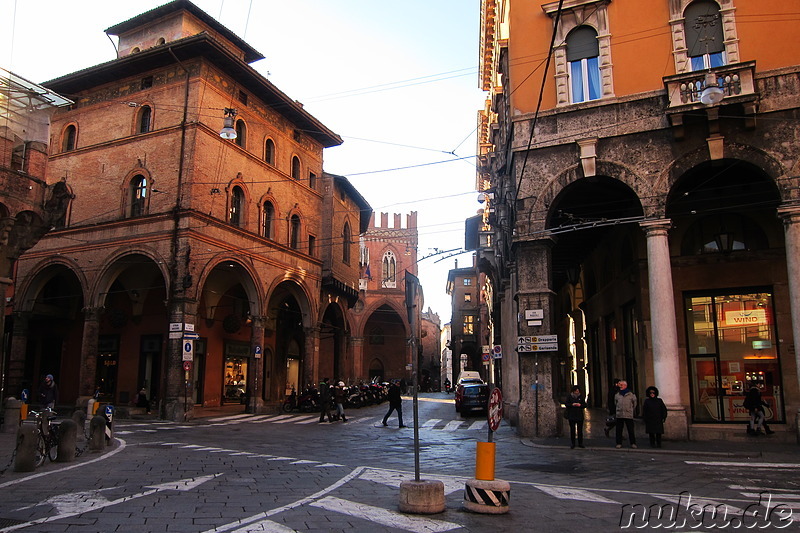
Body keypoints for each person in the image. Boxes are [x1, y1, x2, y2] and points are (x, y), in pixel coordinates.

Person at [614, 379, 637, 449]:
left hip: (628, 414)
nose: (620, 386)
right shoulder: (617, 394)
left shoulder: (631, 394)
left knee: (630, 430)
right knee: (619, 430)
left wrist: (630, 409)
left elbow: (634, 403)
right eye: (619, 384)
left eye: (621, 385)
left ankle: (633, 443)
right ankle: (619, 443)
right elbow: (615, 402)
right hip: (620, 414)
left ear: (625, 385)